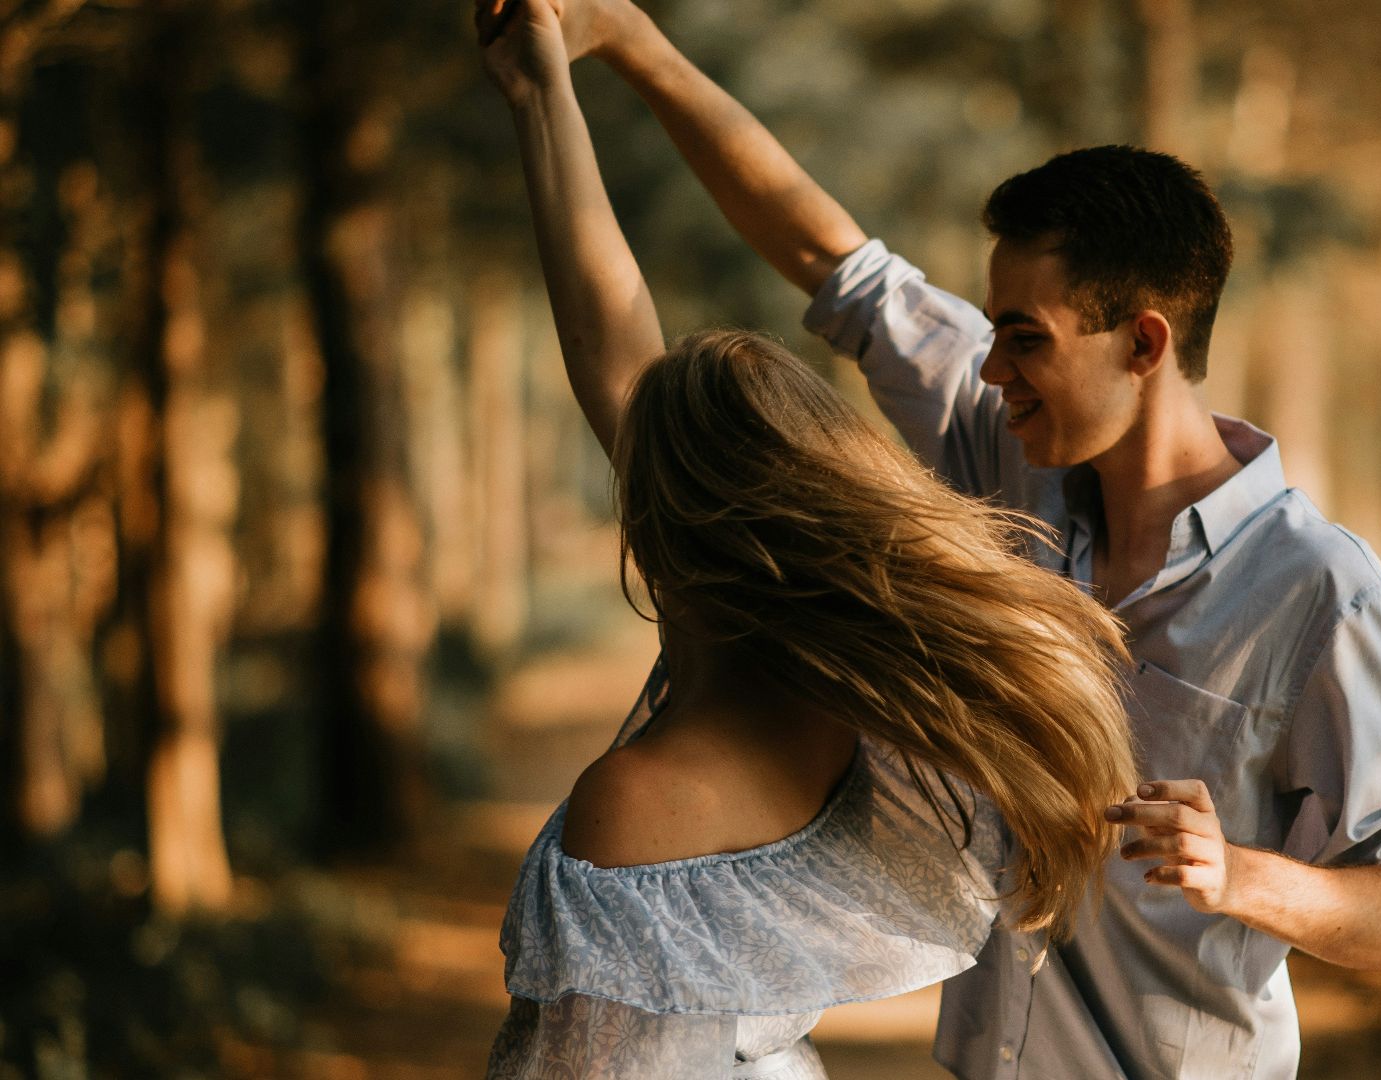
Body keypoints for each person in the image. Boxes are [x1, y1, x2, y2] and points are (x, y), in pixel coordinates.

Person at [494, 3, 1381, 1079]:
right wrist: (629, 44)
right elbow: (831, 258)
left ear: (1143, 341)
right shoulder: (1009, 460)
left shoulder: (1320, 590)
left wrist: (1240, 876)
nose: (991, 369)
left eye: (1024, 338)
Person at [475, 3, 1142, 1076]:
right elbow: (615, 347)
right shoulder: (870, 733)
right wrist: (541, 93)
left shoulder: (637, 801)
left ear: (667, 518)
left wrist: (555, 87)